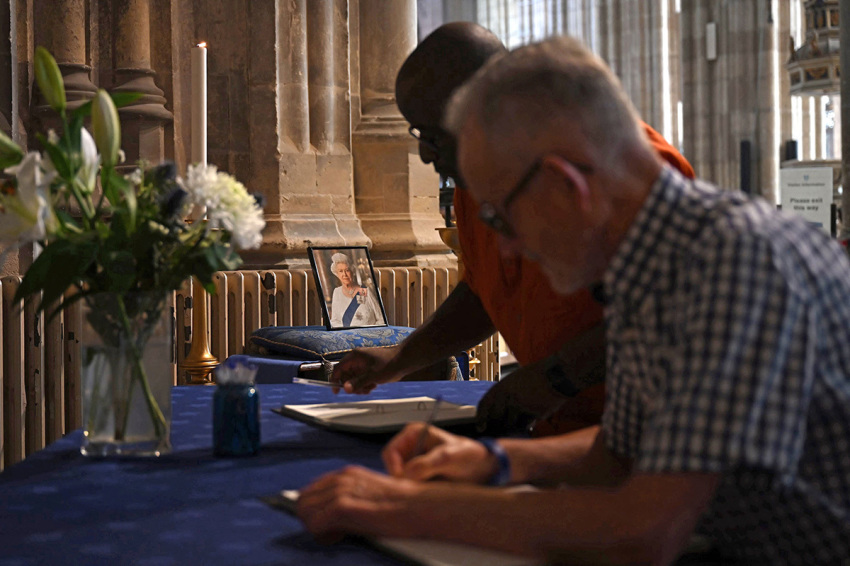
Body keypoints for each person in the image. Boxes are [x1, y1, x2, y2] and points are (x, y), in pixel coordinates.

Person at [296, 36, 850, 564]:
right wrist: (493, 459)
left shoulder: (735, 261)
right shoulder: (654, 261)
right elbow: (621, 453)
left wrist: (399, 506)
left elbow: (643, 533)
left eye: (499, 217)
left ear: (565, 184)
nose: (505, 248)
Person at [331, 22, 695, 436]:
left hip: (640, 430)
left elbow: (655, 318)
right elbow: (489, 289)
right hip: (573, 435)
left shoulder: (631, 174)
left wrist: (550, 380)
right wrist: (401, 358)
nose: (423, 153)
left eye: (432, 134)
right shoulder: (481, 177)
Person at [328, 252, 383, 328]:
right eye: (341, 271)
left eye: (347, 270)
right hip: (348, 336)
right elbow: (334, 321)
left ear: (352, 271)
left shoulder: (364, 291)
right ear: (337, 274)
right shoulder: (337, 292)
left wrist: (371, 332)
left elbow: (381, 319)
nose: (344, 274)